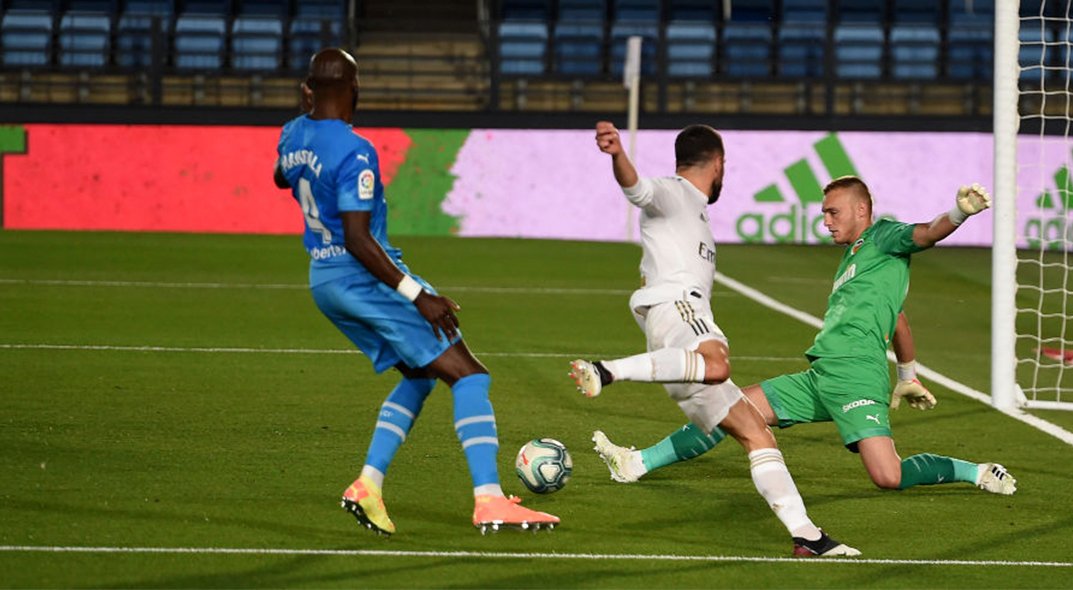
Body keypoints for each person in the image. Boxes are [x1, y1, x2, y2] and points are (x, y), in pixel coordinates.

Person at [273, 48, 558, 537]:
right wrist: (416, 295)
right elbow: (359, 239)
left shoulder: (293, 132)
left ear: (308, 90)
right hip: (362, 276)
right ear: (356, 88)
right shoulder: (355, 150)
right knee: (469, 375)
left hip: (323, 280)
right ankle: (489, 500)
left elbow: (282, 177)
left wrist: (306, 118)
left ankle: (368, 483)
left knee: (422, 376)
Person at [591, 176, 1017, 501]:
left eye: (833, 212)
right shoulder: (856, 258)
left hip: (857, 377)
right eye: (824, 213)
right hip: (821, 376)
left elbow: (927, 232)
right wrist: (908, 374)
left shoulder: (884, 237)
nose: (825, 220)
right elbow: (899, 319)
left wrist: (959, 214)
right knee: (727, 409)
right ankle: (636, 463)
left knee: (888, 476)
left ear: (862, 210)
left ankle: (975, 471)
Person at [568, 121, 859, 557]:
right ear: (718, 163)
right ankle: (607, 370)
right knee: (719, 363)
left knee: (756, 433)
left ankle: (807, 536)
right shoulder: (677, 192)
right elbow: (638, 190)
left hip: (675, 323)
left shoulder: (695, 207)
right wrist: (617, 156)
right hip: (679, 309)